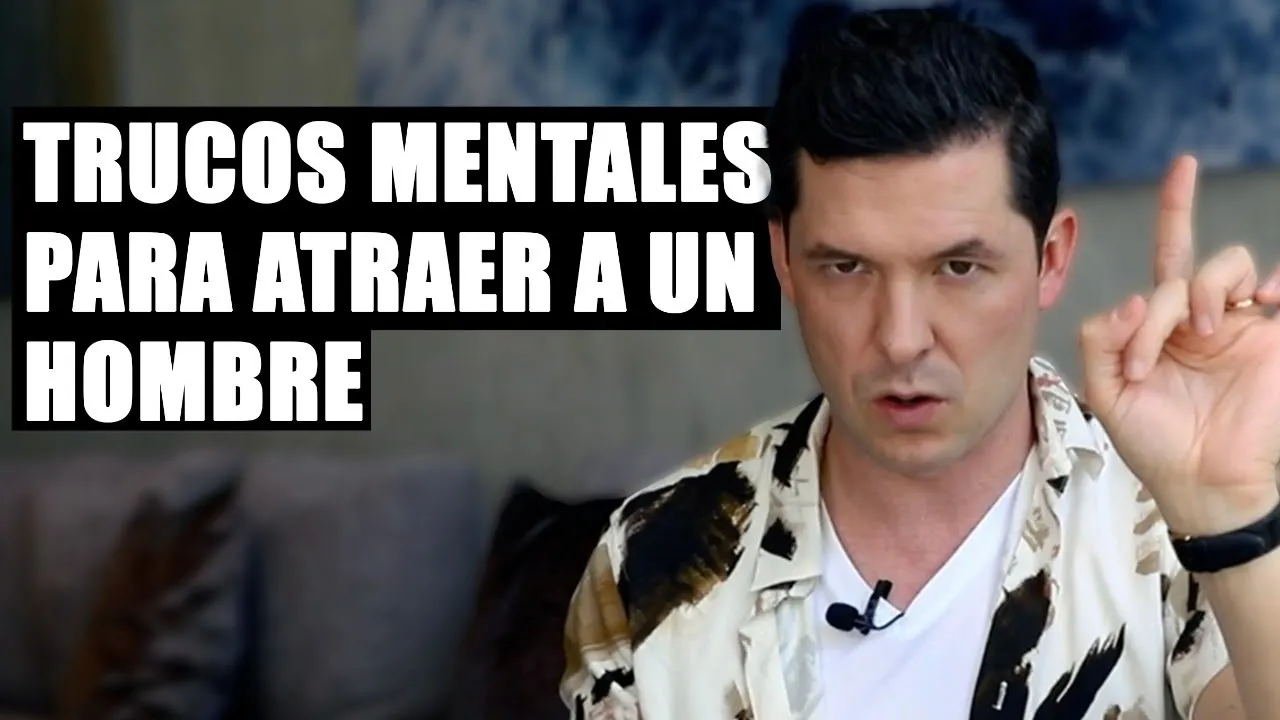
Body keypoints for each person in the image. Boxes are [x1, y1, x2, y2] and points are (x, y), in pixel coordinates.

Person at [559, 7, 1280, 719]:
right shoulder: (650, 557)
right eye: (846, 267)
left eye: (959, 268)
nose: (902, 339)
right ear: (783, 258)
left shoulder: (1177, 529)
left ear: (1050, 259)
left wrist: (1226, 510)